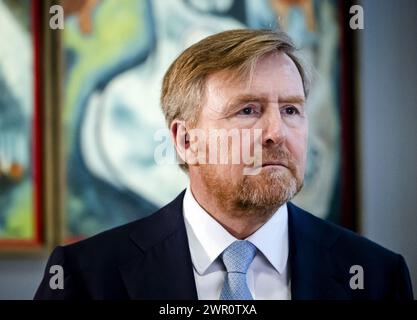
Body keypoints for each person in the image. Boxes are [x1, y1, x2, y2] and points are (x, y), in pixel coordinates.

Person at [34, 29, 413, 300]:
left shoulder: (376, 276)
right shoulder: (86, 277)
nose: (277, 133)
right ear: (186, 141)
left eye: (291, 110)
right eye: (248, 110)